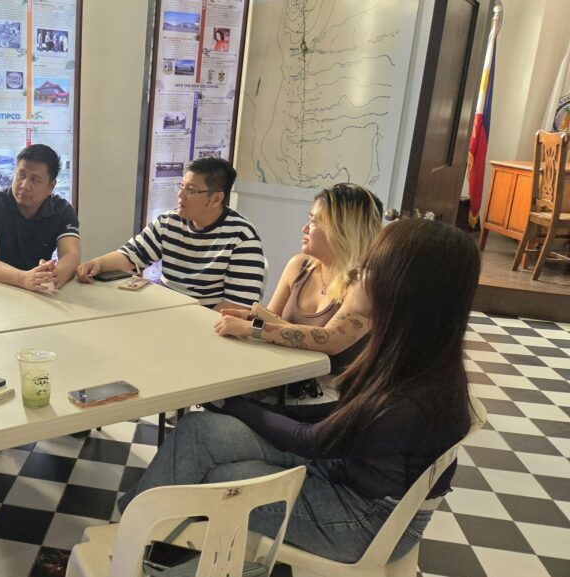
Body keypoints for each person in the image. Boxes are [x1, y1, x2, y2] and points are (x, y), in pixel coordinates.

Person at [120, 218, 479, 564]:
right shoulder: (410, 356)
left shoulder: (413, 398)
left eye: (369, 269)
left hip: (365, 520)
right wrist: (234, 405)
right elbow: (331, 418)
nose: (356, 274)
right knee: (200, 430)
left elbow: (313, 440)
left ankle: (135, 547)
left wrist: (232, 403)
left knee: (217, 481)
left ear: (404, 291)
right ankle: (133, 536)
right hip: (341, 473)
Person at [214, 183, 383, 399]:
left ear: (343, 229)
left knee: (221, 403)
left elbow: (329, 340)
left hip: (327, 396)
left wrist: (252, 327)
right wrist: (251, 316)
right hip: (283, 382)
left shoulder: (365, 283)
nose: (305, 228)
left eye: (315, 221)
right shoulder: (299, 265)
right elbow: (272, 322)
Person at [77, 157, 264, 311]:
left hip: (205, 322)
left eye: (191, 190)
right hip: (166, 309)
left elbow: (238, 306)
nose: (181, 195)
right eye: (181, 186)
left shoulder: (242, 237)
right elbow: (131, 256)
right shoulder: (169, 221)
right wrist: (97, 264)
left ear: (216, 199)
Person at [0, 144, 81, 291]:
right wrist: (23, 278)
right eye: (21, 175)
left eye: (35, 180)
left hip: (34, 291)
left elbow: (71, 254)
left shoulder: (62, 210)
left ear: (51, 186)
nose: (25, 185)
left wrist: (56, 275)